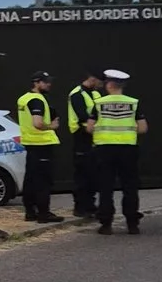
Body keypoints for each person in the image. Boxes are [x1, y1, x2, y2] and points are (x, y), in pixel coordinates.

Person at [87, 69, 147, 233]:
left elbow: (90, 128)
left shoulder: (99, 104)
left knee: (106, 187)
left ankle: (106, 224)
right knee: (130, 186)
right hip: (128, 149)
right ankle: (132, 223)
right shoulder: (134, 103)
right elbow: (143, 128)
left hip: (104, 149)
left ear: (110, 84)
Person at [15, 69, 62, 223]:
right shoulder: (37, 100)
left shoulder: (24, 98)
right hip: (42, 144)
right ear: (36, 83)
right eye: (46, 82)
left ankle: (30, 211)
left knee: (30, 179)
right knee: (43, 181)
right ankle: (43, 213)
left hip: (30, 143)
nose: (49, 85)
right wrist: (52, 126)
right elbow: (37, 123)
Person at [65, 70, 105, 220]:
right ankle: (80, 206)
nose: (101, 86)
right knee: (82, 174)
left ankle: (90, 204)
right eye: (100, 82)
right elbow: (83, 116)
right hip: (81, 136)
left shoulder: (95, 94)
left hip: (95, 136)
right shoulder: (76, 94)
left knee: (94, 174)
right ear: (92, 79)